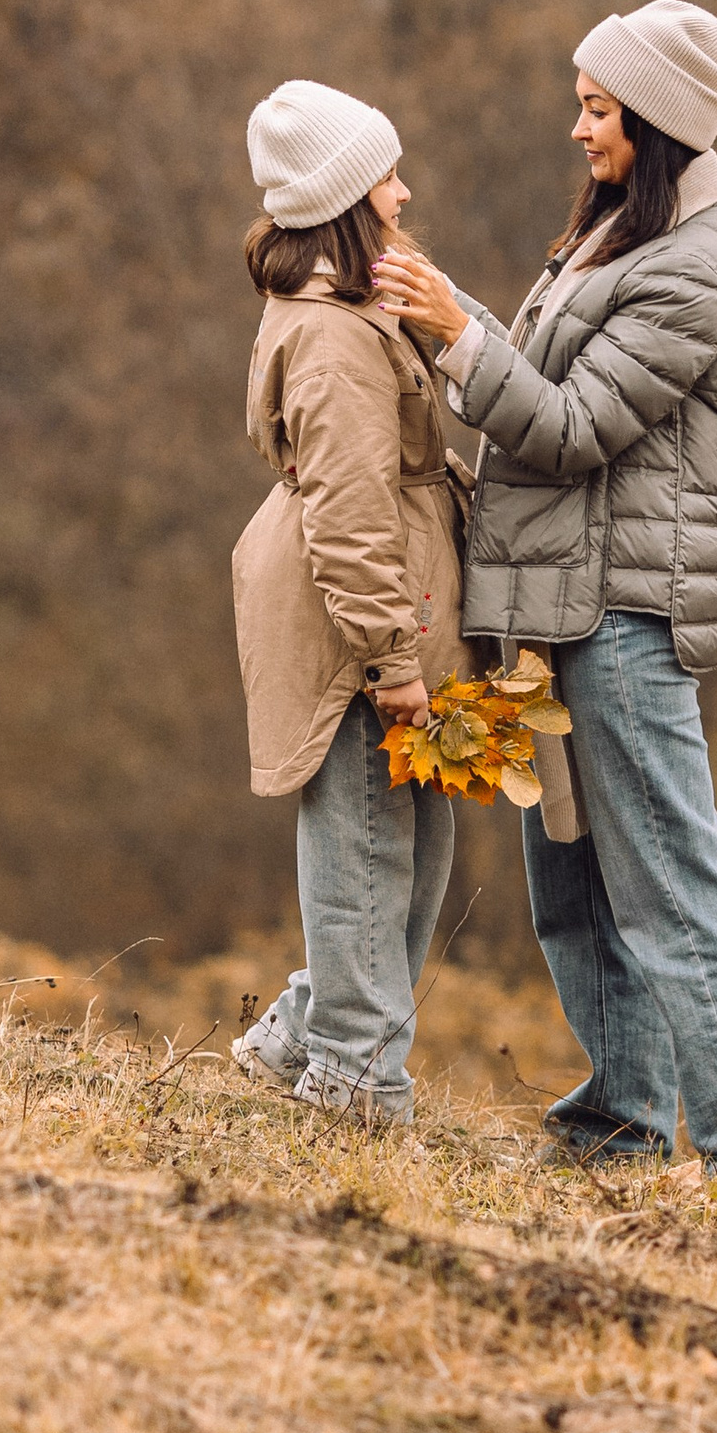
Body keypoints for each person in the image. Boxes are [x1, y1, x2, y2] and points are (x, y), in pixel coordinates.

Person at [372, 2, 717, 1185]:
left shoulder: (689, 273)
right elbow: (545, 378)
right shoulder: (622, 235)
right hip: (556, 611)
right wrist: (458, 316)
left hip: (622, 622)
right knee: (573, 896)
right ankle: (618, 1124)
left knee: (677, 894)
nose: (575, 127)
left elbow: (572, 427)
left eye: (595, 106)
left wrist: (455, 336)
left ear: (656, 119)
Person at [230, 79, 464, 1125]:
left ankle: (299, 1038)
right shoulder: (330, 338)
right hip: (360, 633)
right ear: (342, 200)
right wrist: (393, 660)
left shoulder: (349, 312)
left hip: (389, 619)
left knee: (408, 855)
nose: (404, 194)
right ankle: (354, 1088)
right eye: (387, 177)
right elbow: (351, 510)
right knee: (368, 848)